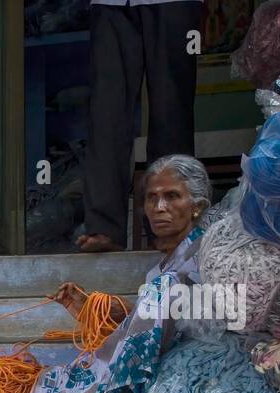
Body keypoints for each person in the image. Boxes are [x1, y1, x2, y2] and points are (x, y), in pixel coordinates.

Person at [31, 154, 210, 393]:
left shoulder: (204, 256)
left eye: (172, 196)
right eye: (152, 198)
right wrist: (97, 310)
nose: (159, 207)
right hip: (164, 361)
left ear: (197, 206)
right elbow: (156, 325)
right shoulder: (165, 265)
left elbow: (178, 333)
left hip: (188, 369)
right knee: (46, 384)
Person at [78, 0, 204, 253]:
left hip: (173, 3)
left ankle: (173, 228)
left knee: (171, 114)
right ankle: (104, 227)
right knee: (105, 114)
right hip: (109, 5)